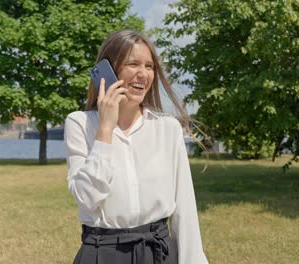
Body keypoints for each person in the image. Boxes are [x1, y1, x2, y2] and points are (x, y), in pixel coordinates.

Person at [64, 30, 209, 264]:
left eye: (149, 66)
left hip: (158, 253)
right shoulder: (79, 124)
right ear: (107, 70)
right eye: (133, 64)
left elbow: (185, 210)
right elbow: (86, 199)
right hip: (102, 254)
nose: (143, 74)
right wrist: (105, 130)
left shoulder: (167, 129)